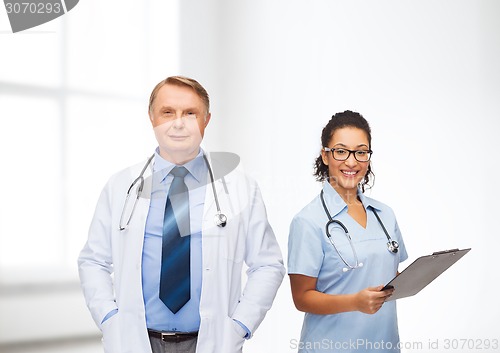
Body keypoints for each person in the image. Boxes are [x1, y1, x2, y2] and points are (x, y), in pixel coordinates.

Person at [78, 76, 285, 353]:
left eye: (190, 113)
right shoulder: (120, 186)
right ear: (152, 118)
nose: (178, 123)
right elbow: (93, 261)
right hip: (136, 340)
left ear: (206, 120)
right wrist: (109, 319)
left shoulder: (240, 188)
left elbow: (268, 264)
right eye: (167, 112)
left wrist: (240, 325)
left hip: (210, 341)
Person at [287, 111, 408, 353]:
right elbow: (302, 298)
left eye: (361, 152)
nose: (352, 162)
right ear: (325, 155)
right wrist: (355, 302)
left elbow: (390, 273)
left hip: (383, 344)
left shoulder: (385, 215)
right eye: (341, 151)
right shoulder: (308, 221)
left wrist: (421, 275)